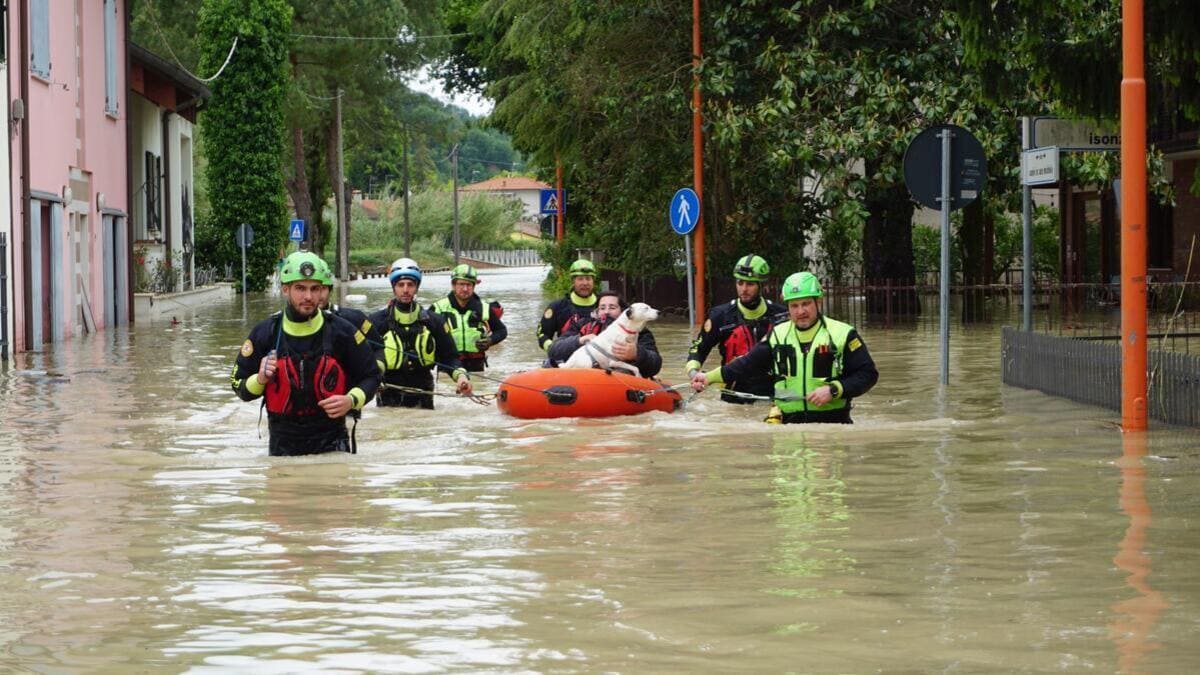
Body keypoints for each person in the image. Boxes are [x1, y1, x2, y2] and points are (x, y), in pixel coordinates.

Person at [230, 251, 382, 455]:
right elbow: (237, 384)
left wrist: (351, 400)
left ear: (322, 290)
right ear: (286, 289)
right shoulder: (265, 333)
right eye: (300, 288)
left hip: (333, 444)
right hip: (282, 447)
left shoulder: (343, 331)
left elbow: (372, 375)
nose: (308, 297)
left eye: (315, 289)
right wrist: (259, 379)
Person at [691, 271, 878, 423]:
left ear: (818, 302)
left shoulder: (843, 333)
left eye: (806, 304)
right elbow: (746, 364)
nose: (800, 311)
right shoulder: (778, 335)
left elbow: (868, 374)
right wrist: (708, 377)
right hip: (787, 424)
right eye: (794, 305)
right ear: (787, 307)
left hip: (833, 423)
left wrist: (834, 390)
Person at [368, 257, 472, 408]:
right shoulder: (376, 321)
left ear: (416, 287)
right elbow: (363, 360)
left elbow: (450, 358)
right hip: (388, 393)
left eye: (410, 285)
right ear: (393, 287)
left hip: (424, 392)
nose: (405, 290)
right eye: (400, 285)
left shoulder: (435, 322)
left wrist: (461, 377)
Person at [685, 254, 787, 403]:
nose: (744, 289)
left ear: (762, 285)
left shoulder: (781, 315)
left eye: (750, 284)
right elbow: (698, 349)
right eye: (740, 283)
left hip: (773, 395)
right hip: (733, 395)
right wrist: (694, 373)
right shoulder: (720, 316)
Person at [546, 290, 663, 377]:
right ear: (596, 311)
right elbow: (553, 350)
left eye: (612, 307)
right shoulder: (582, 325)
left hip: (617, 381)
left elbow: (655, 364)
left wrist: (637, 354)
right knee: (548, 364)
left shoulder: (640, 332)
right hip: (580, 376)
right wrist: (579, 340)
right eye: (602, 308)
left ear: (623, 312)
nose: (606, 311)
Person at [429, 264, 507, 373]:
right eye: (461, 284)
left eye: (469, 285)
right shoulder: (438, 308)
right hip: (448, 365)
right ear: (453, 285)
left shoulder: (484, 307)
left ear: (474, 286)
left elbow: (502, 331)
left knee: (478, 389)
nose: (465, 289)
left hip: (476, 365)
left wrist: (490, 341)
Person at [313, 258, 384, 363]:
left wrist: (377, 370)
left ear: (330, 290)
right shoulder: (283, 324)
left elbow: (378, 348)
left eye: (322, 288)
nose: (317, 295)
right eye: (313, 288)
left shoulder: (355, 318)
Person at [537, 259, 599, 353]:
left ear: (593, 281)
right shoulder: (558, 307)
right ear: (573, 281)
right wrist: (554, 349)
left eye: (588, 278)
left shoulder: (604, 305)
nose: (585, 283)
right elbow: (542, 334)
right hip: (567, 359)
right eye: (580, 279)